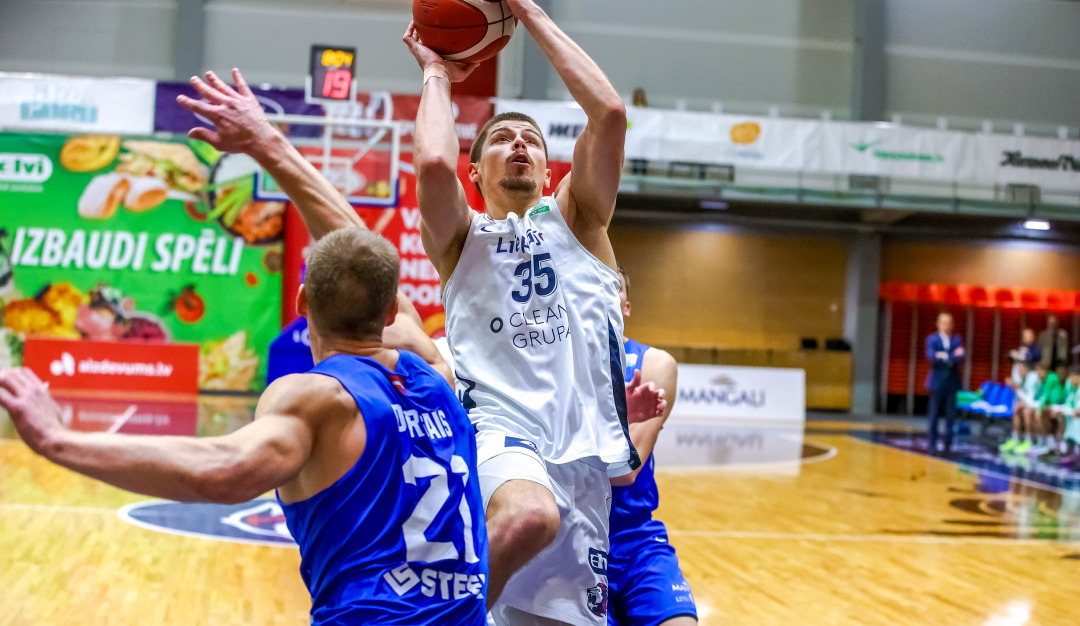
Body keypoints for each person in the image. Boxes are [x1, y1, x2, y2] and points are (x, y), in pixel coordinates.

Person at [0, 227, 488, 624]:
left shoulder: (319, 398)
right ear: (390, 312)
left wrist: (58, 440)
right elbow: (384, 288)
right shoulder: (438, 378)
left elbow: (224, 468)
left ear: (301, 302)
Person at [403, 2, 644, 622]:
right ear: (476, 171)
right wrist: (436, 72)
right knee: (529, 516)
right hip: (499, 432)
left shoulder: (578, 221)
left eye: (531, 140)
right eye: (503, 139)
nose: (519, 145)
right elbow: (432, 163)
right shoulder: (462, 239)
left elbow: (609, 113)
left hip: (584, 460)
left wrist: (526, 10)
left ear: (547, 167)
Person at [607, 268, 697, 626]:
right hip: (572, 541)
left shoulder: (654, 363)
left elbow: (626, 470)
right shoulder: (552, 367)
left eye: (613, 286)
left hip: (635, 539)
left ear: (626, 307)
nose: (602, 291)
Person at [925, 312, 964, 453]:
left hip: (952, 382)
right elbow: (932, 356)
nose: (947, 325)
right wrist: (951, 356)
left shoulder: (956, 339)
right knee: (934, 414)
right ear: (938, 324)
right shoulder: (932, 339)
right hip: (937, 382)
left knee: (951, 415)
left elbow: (961, 356)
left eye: (949, 322)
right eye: (944, 322)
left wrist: (944, 355)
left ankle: (948, 444)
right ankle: (932, 443)